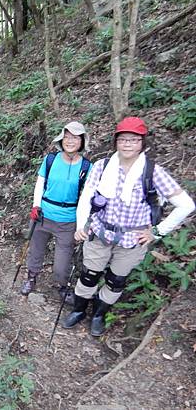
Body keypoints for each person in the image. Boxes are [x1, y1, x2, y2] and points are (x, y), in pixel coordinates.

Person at [63, 117, 195, 336]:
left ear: (142, 143)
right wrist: (81, 224)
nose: (127, 144)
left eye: (133, 140)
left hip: (132, 239)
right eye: (123, 139)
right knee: (89, 275)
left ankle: (99, 314)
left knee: (116, 281)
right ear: (116, 141)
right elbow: (87, 196)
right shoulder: (102, 166)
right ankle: (79, 310)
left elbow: (186, 204)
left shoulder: (152, 172)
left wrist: (157, 232)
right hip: (100, 231)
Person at [20, 122, 92, 303]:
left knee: (63, 261)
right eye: (67, 137)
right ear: (62, 139)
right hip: (43, 214)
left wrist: (83, 223)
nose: (70, 141)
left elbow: (87, 195)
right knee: (35, 250)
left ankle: (62, 284)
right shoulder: (51, 159)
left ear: (82, 141)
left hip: (68, 219)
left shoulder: (86, 166)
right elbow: (40, 183)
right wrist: (36, 206)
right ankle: (31, 277)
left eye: (75, 138)